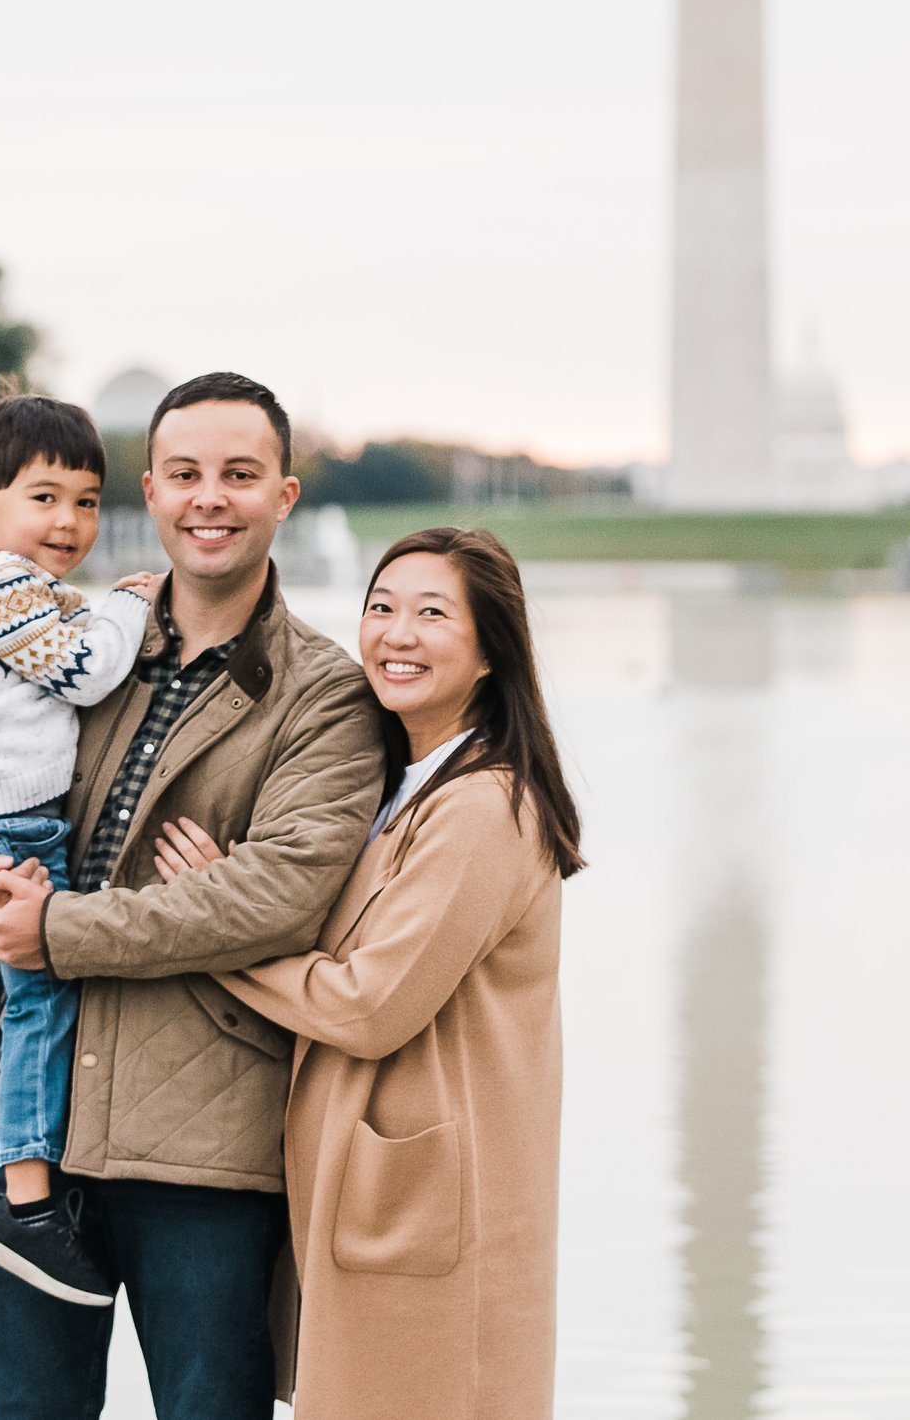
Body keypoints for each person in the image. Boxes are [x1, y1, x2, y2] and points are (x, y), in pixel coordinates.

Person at [0, 371, 385, 1420]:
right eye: (184, 474)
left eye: (238, 474)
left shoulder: (329, 695)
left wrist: (49, 928)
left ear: (284, 496)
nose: (209, 497)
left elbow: (277, 898)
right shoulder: (67, 639)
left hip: (204, 1151)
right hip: (29, 1139)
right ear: (153, 490)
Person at [151, 527, 583, 1420]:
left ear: (491, 651)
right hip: (371, 1214)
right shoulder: (405, 783)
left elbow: (370, 1003)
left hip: (430, 1225)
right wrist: (149, 608)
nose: (396, 633)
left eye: (432, 614)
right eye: (380, 608)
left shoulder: (481, 806)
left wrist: (214, 926)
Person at [0, 380, 161, 1303]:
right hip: (10, 819)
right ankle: (25, 1198)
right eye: (43, 497)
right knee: (40, 999)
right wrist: (130, 602)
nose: (69, 520)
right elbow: (88, 671)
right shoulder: (2, 586)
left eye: (87, 500)